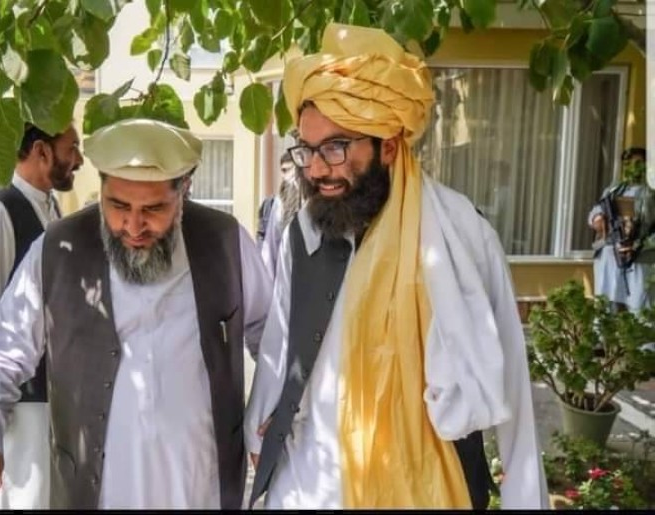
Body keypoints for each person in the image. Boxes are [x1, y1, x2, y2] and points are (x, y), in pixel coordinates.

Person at [245, 23, 548, 509]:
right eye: (307, 149)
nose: (316, 168)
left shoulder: (458, 234)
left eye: (335, 148)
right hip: (311, 483)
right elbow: (282, 345)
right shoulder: (304, 229)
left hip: (423, 485)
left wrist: (524, 497)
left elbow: (512, 373)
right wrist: (263, 422)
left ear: (388, 145)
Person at [0, 118, 272, 509]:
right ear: (102, 188)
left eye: (154, 208)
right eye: (118, 205)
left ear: (183, 192)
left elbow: (269, 333)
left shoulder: (225, 241)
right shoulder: (58, 248)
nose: (133, 226)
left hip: (201, 488)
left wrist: (269, 411)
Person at [0, 122, 83, 509]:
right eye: (72, 149)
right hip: (21, 403)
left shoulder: (51, 208)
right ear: (42, 151)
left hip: (54, 397)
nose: (79, 160)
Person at [589, 147, 655, 314]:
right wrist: (597, 218)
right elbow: (596, 212)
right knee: (604, 308)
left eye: (638, 163)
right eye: (628, 164)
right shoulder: (613, 190)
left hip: (640, 258)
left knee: (641, 311)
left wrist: (639, 245)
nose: (632, 168)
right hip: (610, 254)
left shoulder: (651, 193)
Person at [260, 151, 303, 279]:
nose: (287, 176)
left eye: (288, 170)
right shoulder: (279, 203)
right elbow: (271, 246)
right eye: (283, 171)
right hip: (284, 272)